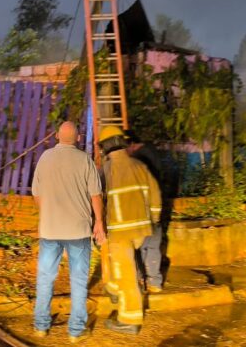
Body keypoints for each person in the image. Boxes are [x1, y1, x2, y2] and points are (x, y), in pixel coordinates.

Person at [31, 122, 105, 343]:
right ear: (79, 138)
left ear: (56, 137)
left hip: (50, 231)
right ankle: (75, 331)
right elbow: (96, 195)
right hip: (78, 231)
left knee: (45, 279)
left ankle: (41, 326)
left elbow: (36, 193)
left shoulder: (45, 158)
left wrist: (49, 214)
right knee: (79, 280)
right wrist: (99, 222)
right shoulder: (85, 160)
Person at [99, 126, 161, 335]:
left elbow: (99, 201)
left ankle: (129, 319)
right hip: (141, 230)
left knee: (125, 274)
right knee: (122, 269)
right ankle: (115, 289)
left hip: (119, 232)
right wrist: (153, 219)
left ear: (104, 147)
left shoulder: (106, 171)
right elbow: (155, 195)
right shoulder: (140, 166)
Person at [124, 130, 170, 295]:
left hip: (142, 211)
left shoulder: (138, 160)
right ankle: (155, 283)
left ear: (131, 144)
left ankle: (141, 281)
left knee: (140, 248)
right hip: (154, 209)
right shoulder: (152, 152)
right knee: (153, 247)